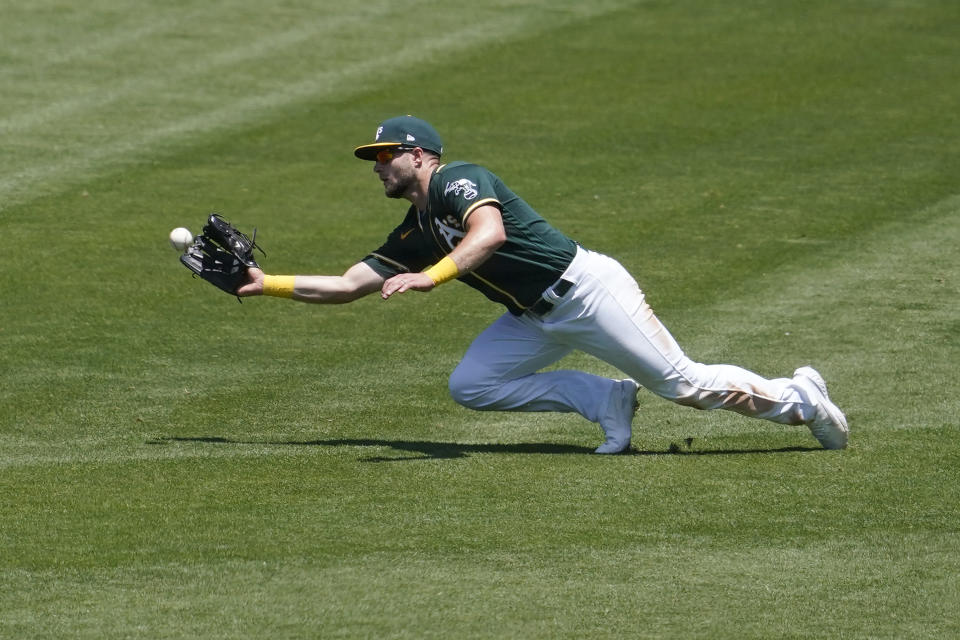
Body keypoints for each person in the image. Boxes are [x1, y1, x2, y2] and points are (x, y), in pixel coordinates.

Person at [237, 115, 848, 454]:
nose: (377, 167)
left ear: (420, 155)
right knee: (473, 386)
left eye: (385, 155)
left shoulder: (459, 180)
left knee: (683, 385)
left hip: (585, 291)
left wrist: (435, 275)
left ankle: (801, 401)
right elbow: (348, 285)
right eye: (374, 159)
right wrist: (268, 284)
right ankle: (604, 400)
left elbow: (489, 234)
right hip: (535, 317)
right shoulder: (417, 226)